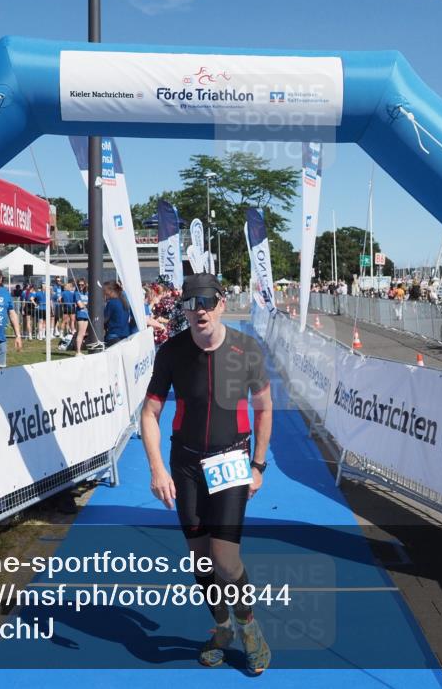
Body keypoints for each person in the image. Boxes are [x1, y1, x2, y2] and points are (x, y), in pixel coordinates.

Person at [141, 273, 272, 674]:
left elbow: (264, 409)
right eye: (190, 303)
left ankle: (249, 627)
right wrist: (157, 468)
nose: (198, 310)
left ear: (220, 304)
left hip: (232, 460)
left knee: (226, 560)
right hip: (186, 463)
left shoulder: (246, 349)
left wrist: (258, 465)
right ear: (184, 308)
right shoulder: (172, 352)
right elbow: (149, 413)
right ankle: (221, 628)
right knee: (200, 559)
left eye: (205, 302)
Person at [102, 280, 132, 347]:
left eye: (104, 291)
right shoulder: (124, 302)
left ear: (110, 291)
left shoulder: (111, 303)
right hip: (125, 335)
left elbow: (104, 319)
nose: (103, 293)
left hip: (114, 336)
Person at [72, 278, 90, 354]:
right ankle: (78, 352)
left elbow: (90, 304)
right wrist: (85, 304)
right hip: (80, 315)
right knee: (80, 333)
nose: (80, 286)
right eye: (79, 284)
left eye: (82, 284)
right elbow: (80, 305)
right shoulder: (77, 293)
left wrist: (85, 304)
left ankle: (78, 349)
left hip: (86, 315)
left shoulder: (87, 293)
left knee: (82, 333)